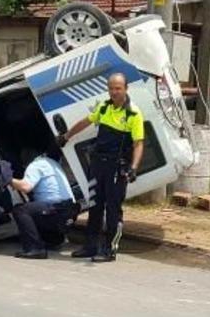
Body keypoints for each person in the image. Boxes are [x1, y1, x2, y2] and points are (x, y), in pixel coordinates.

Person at [57, 73, 144, 262]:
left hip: (116, 167)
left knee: (113, 210)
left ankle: (110, 250)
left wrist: (134, 167)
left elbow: (139, 143)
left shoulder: (133, 113)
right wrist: (66, 136)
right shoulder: (104, 107)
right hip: (98, 164)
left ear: (126, 88)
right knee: (95, 206)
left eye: (118, 88)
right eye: (111, 88)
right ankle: (90, 247)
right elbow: (86, 122)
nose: (114, 92)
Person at [9, 147, 76, 259]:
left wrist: (8, 179)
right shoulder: (52, 163)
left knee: (20, 210)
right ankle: (55, 239)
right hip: (70, 211)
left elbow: (26, 187)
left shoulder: (35, 165)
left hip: (56, 211)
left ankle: (35, 248)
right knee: (35, 208)